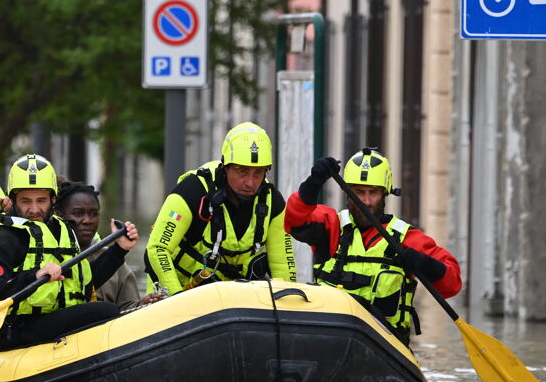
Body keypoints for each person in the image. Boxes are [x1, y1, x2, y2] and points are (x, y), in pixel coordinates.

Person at [283, 148, 462, 345]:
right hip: (330, 340)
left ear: (384, 193)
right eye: (358, 192)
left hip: (385, 344)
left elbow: (452, 284)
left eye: (373, 193)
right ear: (347, 193)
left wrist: (424, 263)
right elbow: (293, 220)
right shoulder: (330, 225)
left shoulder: (406, 239)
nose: (366, 201)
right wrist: (312, 185)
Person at [0, 154, 139, 349]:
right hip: (14, 329)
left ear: (53, 200)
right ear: (13, 200)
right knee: (105, 311)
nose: (34, 209)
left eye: (41, 200)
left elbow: (84, 282)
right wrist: (34, 276)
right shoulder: (2, 237)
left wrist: (119, 249)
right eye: (25, 201)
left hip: (50, 319)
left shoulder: (61, 229)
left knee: (100, 310)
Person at [144, 122, 297, 296]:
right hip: (179, 287)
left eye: (258, 173)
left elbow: (283, 265)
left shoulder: (273, 202)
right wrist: (176, 297)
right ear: (225, 167)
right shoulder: (192, 191)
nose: (250, 182)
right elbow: (157, 249)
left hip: (232, 298)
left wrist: (288, 302)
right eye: (242, 172)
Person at [54, 180, 162, 311]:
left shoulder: (116, 262)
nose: (87, 221)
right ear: (59, 216)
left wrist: (143, 303)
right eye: (78, 213)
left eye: (93, 214)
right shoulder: (50, 257)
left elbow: (128, 308)